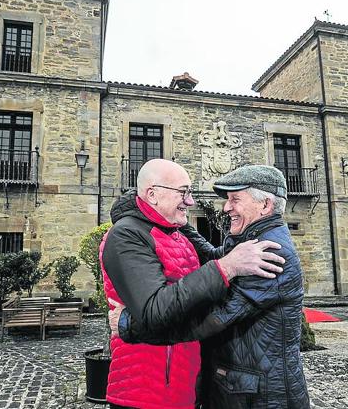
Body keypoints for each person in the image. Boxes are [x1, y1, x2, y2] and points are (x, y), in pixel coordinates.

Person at [110, 165, 310, 409]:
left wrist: (127, 325)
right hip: (241, 389)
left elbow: (212, 318)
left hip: (261, 397)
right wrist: (159, 211)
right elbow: (214, 257)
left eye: (235, 199)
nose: (227, 207)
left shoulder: (268, 252)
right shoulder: (251, 240)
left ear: (265, 205)